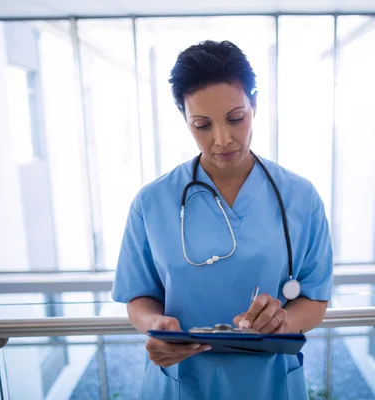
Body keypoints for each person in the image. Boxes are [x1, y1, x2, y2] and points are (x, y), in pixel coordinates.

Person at [112, 40, 333, 400]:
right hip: (184, 383)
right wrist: (156, 327)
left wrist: (283, 323)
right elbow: (138, 297)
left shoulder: (301, 197)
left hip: (270, 383)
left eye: (236, 118)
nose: (222, 139)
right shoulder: (151, 202)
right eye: (202, 125)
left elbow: (314, 298)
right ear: (184, 119)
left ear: (255, 105)